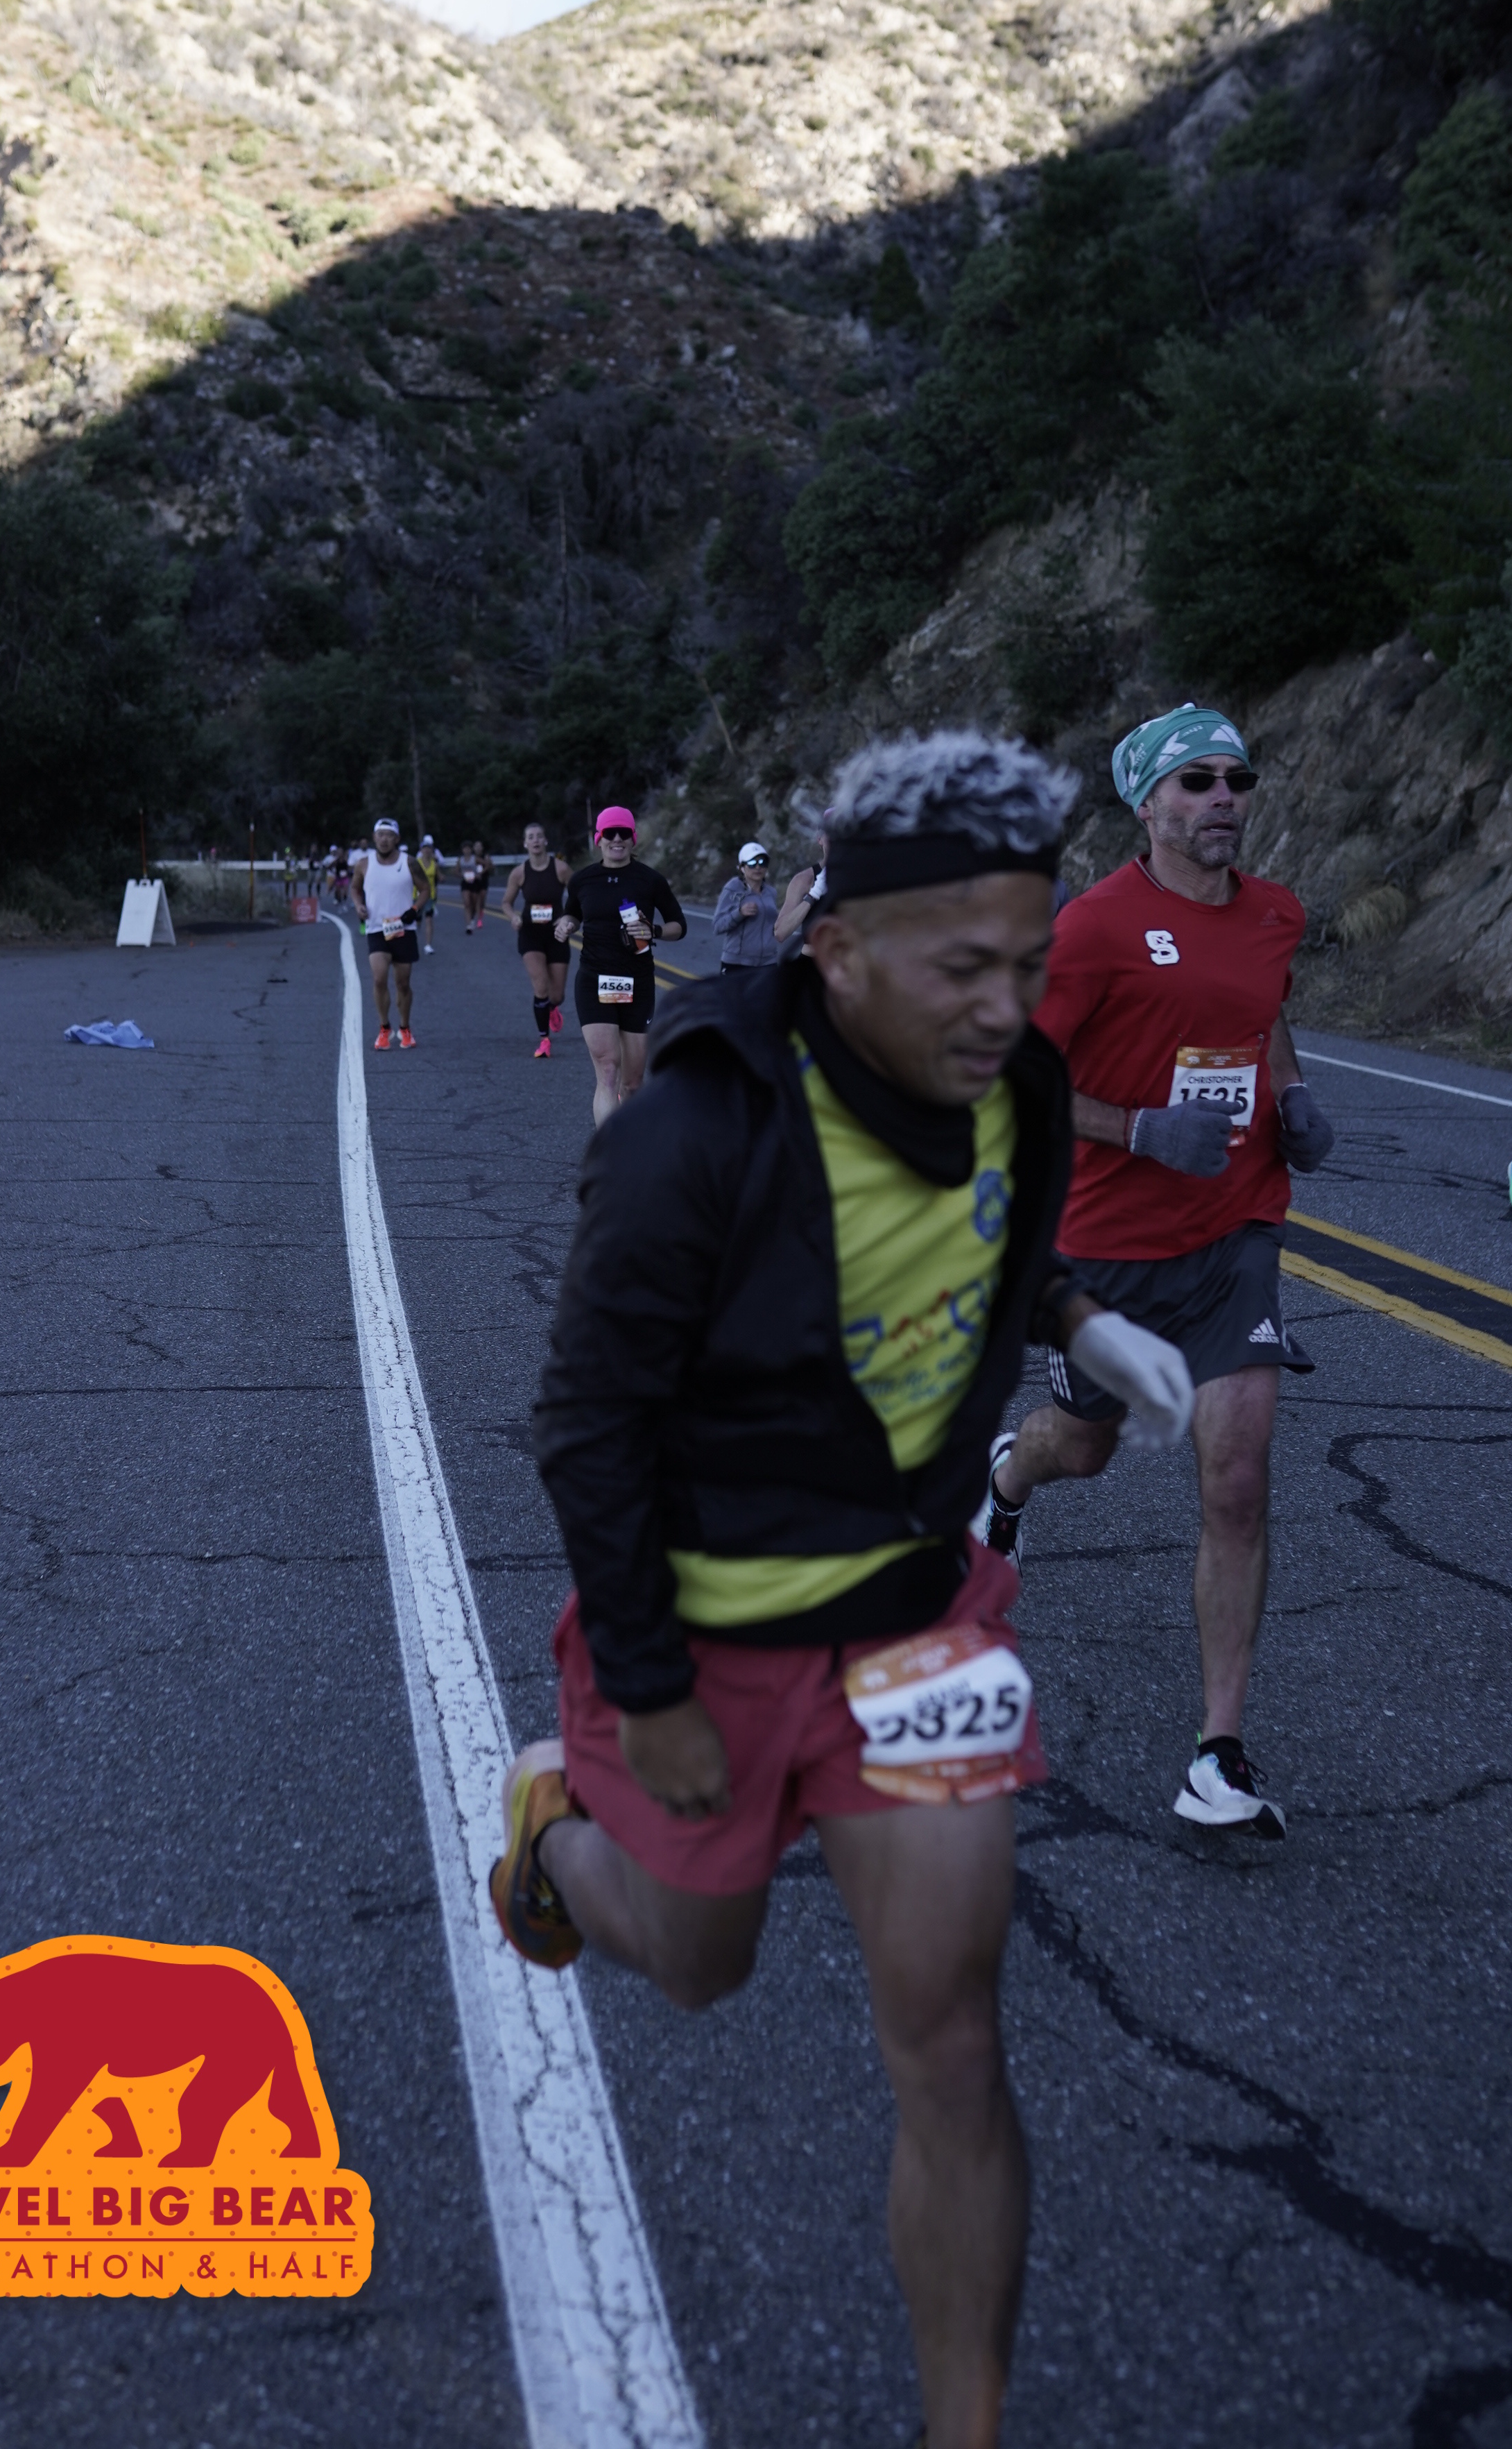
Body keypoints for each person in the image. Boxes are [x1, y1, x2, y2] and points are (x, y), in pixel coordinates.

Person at [492, 731, 1194, 2449]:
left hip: (909, 1618)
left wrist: (1078, 1320)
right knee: (700, 1965)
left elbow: (993, 1230)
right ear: (836, 952)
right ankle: (555, 1834)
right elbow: (585, 1426)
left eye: (1024, 966)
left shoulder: (1016, 1084)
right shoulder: (689, 1137)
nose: (1000, 1009)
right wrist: (647, 1689)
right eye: (960, 969)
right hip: (707, 1633)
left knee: (951, 2045)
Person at [978, 704, 1336, 1841]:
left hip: (1236, 1230)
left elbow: (1263, 1013)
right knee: (1081, 1447)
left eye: (1236, 778)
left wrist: (1290, 1095)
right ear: (1146, 803)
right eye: (1196, 781)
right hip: (1108, 1243)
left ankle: (1216, 1755)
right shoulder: (1091, 930)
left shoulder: (1274, 911)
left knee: (1236, 1477)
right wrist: (1135, 1129)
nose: (1223, 796)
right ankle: (1005, 1480)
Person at [553, 809, 687, 1130]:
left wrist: (654, 931)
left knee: (633, 1083)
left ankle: (630, 1140)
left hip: (637, 981)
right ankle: (609, 1149)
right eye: (610, 833)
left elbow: (679, 926)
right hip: (594, 979)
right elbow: (572, 914)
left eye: (624, 833)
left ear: (633, 839)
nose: (617, 839)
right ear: (598, 839)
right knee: (608, 1068)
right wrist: (566, 925)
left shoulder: (650, 880)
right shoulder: (582, 880)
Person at [352, 819, 429, 1049]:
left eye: (389, 835)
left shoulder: (410, 863)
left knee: (403, 983)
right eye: (380, 835)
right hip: (377, 928)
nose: (384, 839)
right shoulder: (364, 864)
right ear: (374, 838)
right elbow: (355, 888)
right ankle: (384, 1028)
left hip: (403, 929)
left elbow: (425, 889)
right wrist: (358, 905)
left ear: (397, 839)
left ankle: (405, 1028)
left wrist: (414, 909)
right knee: (379, 979)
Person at [502, 823, 574, 1058]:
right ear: (525, 844)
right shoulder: (519, 873)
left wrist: (567, 917)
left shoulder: (561, 869)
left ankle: (552, 1008)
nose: (535, 840)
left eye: (539, 836)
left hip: (556, 934)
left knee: (557, 996)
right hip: (530, 934)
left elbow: (579, 897)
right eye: (530, 837)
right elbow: (506, 903)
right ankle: (544, 1040)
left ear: (545, 841)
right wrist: (513, 917)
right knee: (540, 985)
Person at [712, 842, 779, 973]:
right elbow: (717, 926)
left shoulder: (771, 893)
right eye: (752, 863)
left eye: (763, 863)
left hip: (768, 962)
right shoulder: (733, 889)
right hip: (737, 962)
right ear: (742, 868)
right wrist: (739, 913)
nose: (758, 868)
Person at [775, 833, 827, 946]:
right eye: (830, 834)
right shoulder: (806, 880)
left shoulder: (861, 875)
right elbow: (780, 932)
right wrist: (814, 894)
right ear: (820, 840)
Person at [415, 835, 440, 953]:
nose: (427, 851)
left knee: (429, 919)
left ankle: (428, 945)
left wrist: (442, 878)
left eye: (429, 848)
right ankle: (414, 939)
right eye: (425, 848)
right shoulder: (416, 863)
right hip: (417, 895)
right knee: (417, 920)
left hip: (430, 896)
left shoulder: (434, 864)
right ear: (421, 850)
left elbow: (439, 877)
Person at [461, 841, 491, 932]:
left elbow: (488, 865)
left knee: (478, 901)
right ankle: (470, 924)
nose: (478, 848)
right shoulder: (462, 859)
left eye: (479, 846)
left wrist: (479, 873)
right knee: (467, 903)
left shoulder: (479, 858)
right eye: (476, 846)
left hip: (478, 881)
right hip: (467, 882)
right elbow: (456, 871)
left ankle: (477, 918)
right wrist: (463, 875)